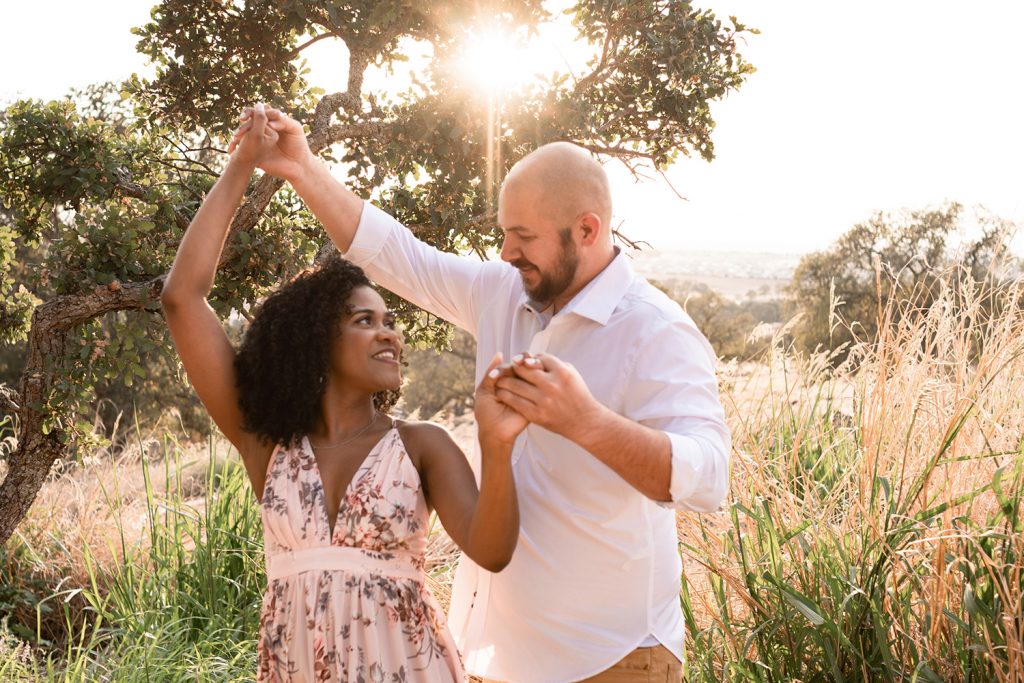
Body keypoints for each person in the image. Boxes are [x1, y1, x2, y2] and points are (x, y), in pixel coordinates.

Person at [230, 104, 731, 683]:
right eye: (503, 233)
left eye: (523, 236)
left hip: (612, 659)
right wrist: (302, 168)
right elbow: (398, 256)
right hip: (496, 660)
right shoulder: (503, 292)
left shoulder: (655, 330)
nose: (506, 252)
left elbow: (710, 477)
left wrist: (585, 421)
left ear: (587, 230)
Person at [161, 103, 526, 683]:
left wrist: (498, 445)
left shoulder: (421, 447)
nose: (389, 333)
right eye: (364, 320)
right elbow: (182, 298)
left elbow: (493, 550)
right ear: (315, 339)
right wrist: (243, 165)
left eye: (389, 320)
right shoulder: (269, 447)